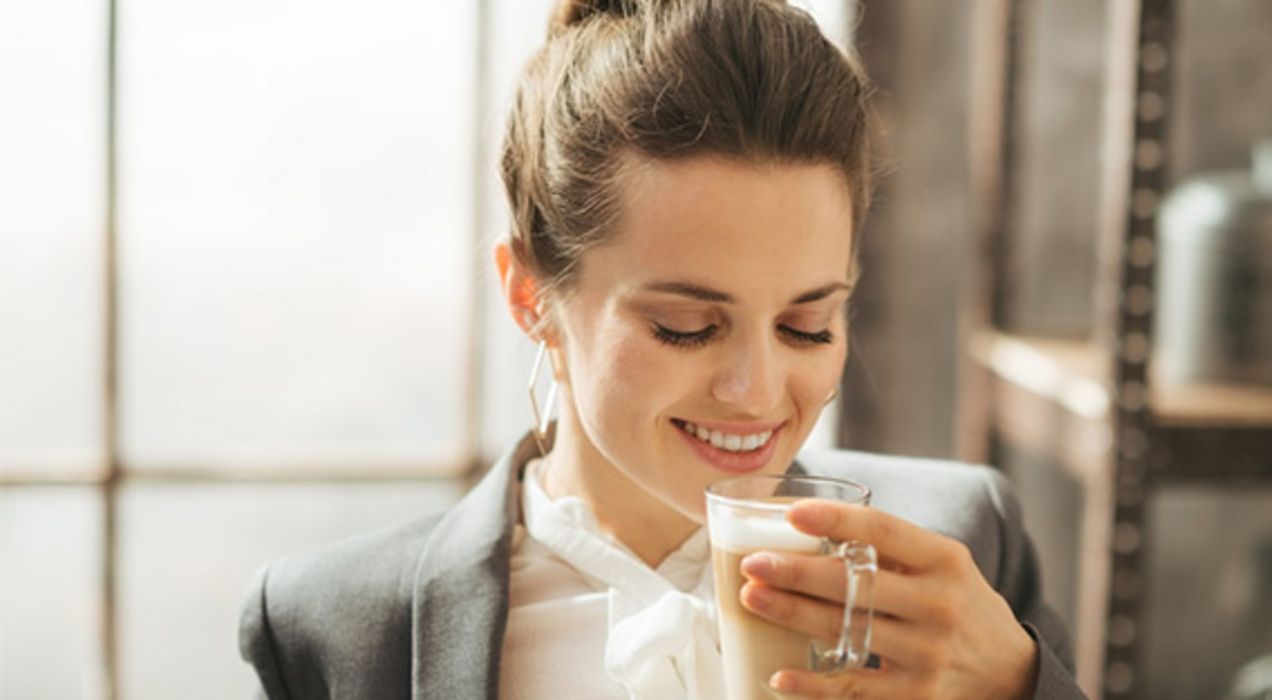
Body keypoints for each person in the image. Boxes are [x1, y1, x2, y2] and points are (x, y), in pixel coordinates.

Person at [239, 1, 1085, 698]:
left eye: (806, 325)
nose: (757, 393)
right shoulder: (336, 630)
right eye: (685, 326)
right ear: (530, 293)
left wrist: (1016, 683)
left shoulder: (962, 542)